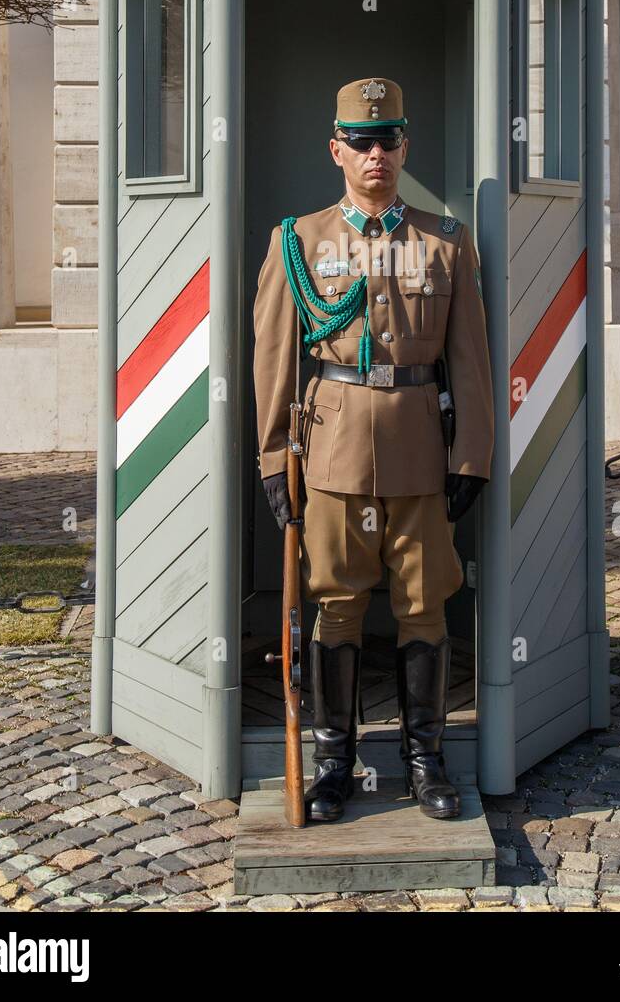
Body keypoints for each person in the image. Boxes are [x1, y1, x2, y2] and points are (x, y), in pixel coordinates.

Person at [252, 77, 493, 823]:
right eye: (360, 142)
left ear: (404, 147)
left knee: (426, 607)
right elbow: (274, 358)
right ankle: (332, 763)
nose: (375, 154)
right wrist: (272, 458)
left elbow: (471, 359)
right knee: (338, 605)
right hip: (331, 451)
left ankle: (426, 761)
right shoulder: (299, 242)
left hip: (422, 450)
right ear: (337, 150)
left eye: (388, 140)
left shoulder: (445, 242)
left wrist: (473, 455)